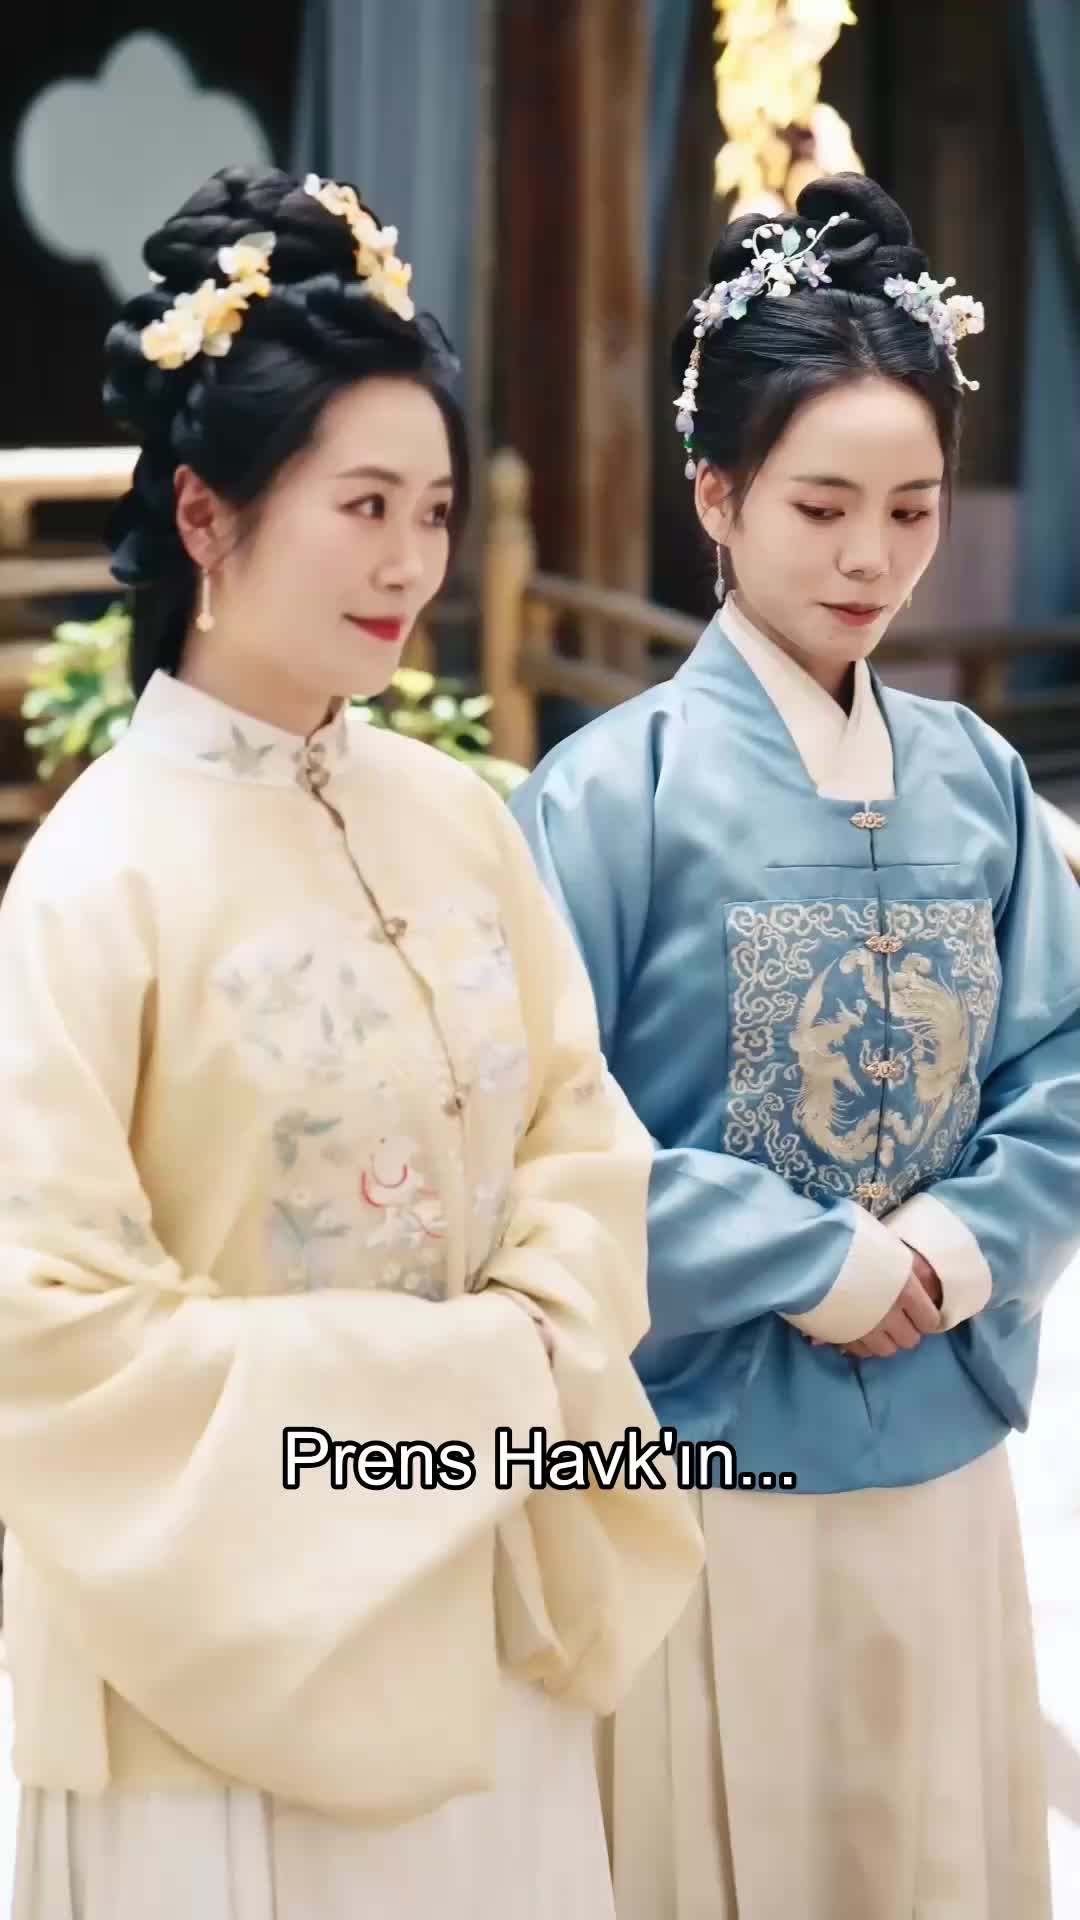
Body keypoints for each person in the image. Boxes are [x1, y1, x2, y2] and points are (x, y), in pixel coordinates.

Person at [0, 165, 703, 1920]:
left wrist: (536, 1337)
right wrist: (454, 1385)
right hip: (227, 1679)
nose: (412, 563)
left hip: (484, 1613)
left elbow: (579, 1125)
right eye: (365, 505)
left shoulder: (453, 815)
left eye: (437, 510)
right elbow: (48, 1329)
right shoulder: (95, 879)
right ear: (207, 514)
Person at [510, 172, 1080, 1918]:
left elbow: (1062, 1066)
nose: (870, 559)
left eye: (912, 510)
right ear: (716, 494)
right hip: (704, 1464)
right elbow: (545, 1130)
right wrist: (806, 1259)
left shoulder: (982, 781)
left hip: (943, 1448)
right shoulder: (606, 794)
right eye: (822, 507)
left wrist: (959, 1243)